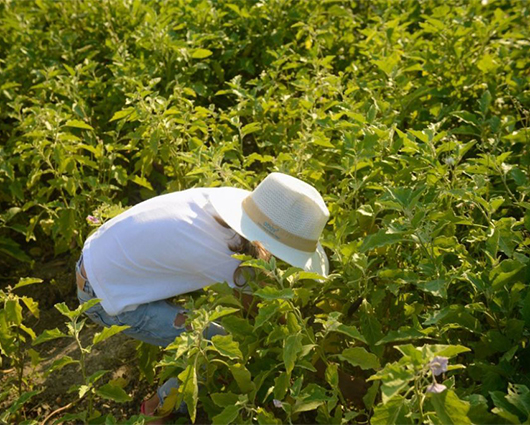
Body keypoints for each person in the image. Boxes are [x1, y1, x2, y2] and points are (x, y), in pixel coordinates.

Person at [75, 172, 330, 419]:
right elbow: (263, 317)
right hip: (102, 295)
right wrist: (324, 369)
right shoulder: (226, 256)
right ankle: (155, 411)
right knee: (217, 345)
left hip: (101, 261)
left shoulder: (223, 209)